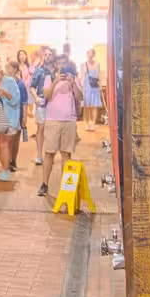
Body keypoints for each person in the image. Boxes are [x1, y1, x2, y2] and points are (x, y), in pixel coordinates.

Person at [38, 58, 85, 197]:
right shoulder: (49, 77)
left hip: (69, 120)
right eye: (59, 63)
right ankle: (44, 184)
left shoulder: (74, 78)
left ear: (68, 64)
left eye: (64, 63)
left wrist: (72, 83)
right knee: (49, 153)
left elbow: (80, 97)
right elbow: (46, 95)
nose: (62, 66)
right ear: (56, 65)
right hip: (52, 120)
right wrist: (55, 81)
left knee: (66, 154)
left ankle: (65, 188)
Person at [29, 47, 54, 165]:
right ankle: (39, 154)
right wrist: (36, 98)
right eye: (46, 54)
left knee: (52, 130)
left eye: (50, 54)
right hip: (42, 102)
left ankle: (50, 154)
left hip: (55, 103)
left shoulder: (57, 71)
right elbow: (32, 86)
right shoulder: (39, 70)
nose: (48, 56)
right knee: (41, 129)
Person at [6, 59, 29, 171]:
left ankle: (13, 160)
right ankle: (8, 160)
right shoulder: (4, 82)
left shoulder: (21, 84)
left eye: (9, 68)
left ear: (15, 69)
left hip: (18, 114)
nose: (7, 70)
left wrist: (24, 116)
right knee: (8, 138)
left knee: (15, 139)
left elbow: (24, 101)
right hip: (7, 114)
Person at [83, 49, 105, 129]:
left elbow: (99, 76)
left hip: (95, 86)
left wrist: (101, 85)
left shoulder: (97, 64)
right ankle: (87, 122)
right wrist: (82, 88)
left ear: (93, 54)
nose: (90, 55)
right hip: (87, 87)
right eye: (88, 53)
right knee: (87, 106)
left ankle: (93, 123)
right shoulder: (84, 64)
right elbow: (82, 77)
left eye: (91, 53)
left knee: (94, 106)